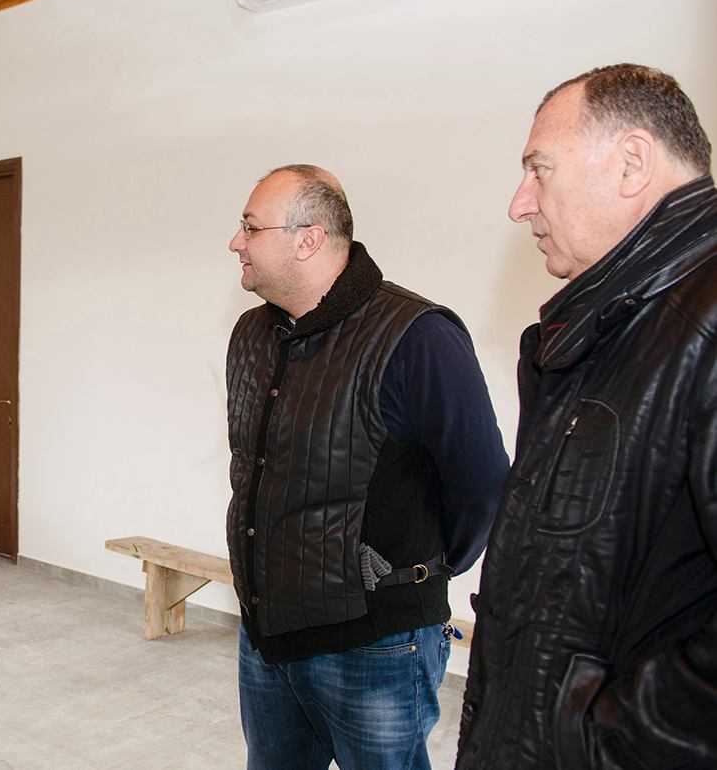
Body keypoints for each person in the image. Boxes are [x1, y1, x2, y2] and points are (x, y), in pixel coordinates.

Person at [457, 64, 717, 769]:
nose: (519, 204)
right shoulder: (610, 324)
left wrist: (603, 740)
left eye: (539, 170)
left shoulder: (698, 323)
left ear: (632, 163)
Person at [225, 164, 508, 770]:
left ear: (307, 240)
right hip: (266, 636)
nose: (235, 242)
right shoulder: (252, 333)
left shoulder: (418, 337)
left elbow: (483, 483)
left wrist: (420, 571)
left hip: (376, 646)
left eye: (249, 227)